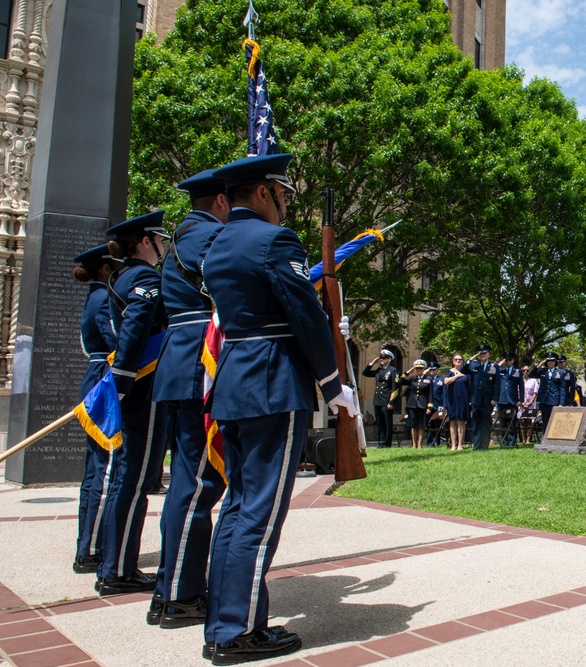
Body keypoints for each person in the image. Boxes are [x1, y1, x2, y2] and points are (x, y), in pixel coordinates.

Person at [201, 153, 356, 664]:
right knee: (261, 514)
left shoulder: (215, 244)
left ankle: (224, 620)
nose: (287, 203)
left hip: (234, 382)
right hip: (272, 383)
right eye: (284, 194)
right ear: (264, 192)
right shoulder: (275, 241)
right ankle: (237, 632)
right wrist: (334, 381)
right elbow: (305, 316)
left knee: (237, 507)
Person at [148, 169, 230, 629]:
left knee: (186, 482)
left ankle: (169, 589)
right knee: (198, 484)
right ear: (220, 201)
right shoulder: (207, 238)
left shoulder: (182, 237)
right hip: (201, 363)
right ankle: (181, 594)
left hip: (179, 362)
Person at [96, 211, 170, 596]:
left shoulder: (122, 277)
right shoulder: (144, 278)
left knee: (127, 479)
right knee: (136, 480)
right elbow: (137, 329)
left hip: (133, 390)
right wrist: (124, 383)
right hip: (143, 390)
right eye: (160, 240)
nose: (163, 247)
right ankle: (119, 569)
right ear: (146, 241)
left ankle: (113, 563)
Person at [71, 245, 117, 576]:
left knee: (95, 468)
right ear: (105, 269)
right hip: (105, 379)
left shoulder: (95, 296)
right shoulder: (103, 299)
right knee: (105, 468)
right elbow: (116, 340)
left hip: (97, 376)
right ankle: (91, 548)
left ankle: (86, 545)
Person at [462, 344, 499, 450]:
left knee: (486, 422)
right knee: (476, 422)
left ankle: (485, 445)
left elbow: (497, 384)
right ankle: (477, 445)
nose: (482, 355)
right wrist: (471, 359)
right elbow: (463, 370)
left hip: (488, 399)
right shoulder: (474, 365)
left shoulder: (493, 366)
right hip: (475, 398)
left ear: (488, 354)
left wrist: (495, 398)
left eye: (484, 353)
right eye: (480, 353)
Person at [362, 349, 399, 448]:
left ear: (389, 359)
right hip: (377, 400)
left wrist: (391, 402)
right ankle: (381, 442)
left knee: (387, 423)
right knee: (379, 423)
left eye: (384, 358)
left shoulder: (393, 370)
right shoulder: (379, 370)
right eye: (381, 358)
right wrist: (371, 364)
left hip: (386, 400)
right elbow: (365, 373)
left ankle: (386, 443)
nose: (381, 360)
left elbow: (395, 388)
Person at [399, 359, 434, 448]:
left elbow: (430, 394)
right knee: (413, 425)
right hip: (412, 404)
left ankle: (419, 444)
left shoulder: (429, 379)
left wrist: (429, 407)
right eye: (417, 368)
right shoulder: (411, 379)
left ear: (424, 369)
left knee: (421, 425)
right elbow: (400, 381)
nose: (419, 370)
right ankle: (414, 444)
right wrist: (409, 371)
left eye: (421, 368)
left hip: (423, 404)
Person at [496, 351, 524, 447]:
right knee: (502, 422)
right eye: (506, 360)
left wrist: (521, 400)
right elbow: (492, 369)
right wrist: (501, 363)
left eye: (509, 359)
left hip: (513, 400)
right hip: (502, 399)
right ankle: (504, 442)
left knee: (512, 422)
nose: (508, 361)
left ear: (513, 361)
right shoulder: (500, 370)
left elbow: (521, 386)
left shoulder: (518, 371)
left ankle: (512, 442)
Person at [444, 353, 470, 451]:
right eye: (456, 359)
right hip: (452, 400)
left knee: (461, 422)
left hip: (463, 400)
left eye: (460, 359)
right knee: (452, 422)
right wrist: (457, 376)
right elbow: (446, 382)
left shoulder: (467, 373)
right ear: (453, 361)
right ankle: (453, 445)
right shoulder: (449, 372)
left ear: (463, 361)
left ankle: (460, 445)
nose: (458, 361)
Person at [529, 352, 562, 430]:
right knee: (545, 420)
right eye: (548, 361)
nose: (550, 362)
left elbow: (562, 388)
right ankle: (545, 438)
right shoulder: (542, 371)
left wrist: (561, 402)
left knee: (554, 420)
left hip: (554, 399)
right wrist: (540, 365)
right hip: (544, 400)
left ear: (555, 362)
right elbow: (531, 375)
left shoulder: (560, 373)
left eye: (552, 361)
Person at [426, 361, 446, 446]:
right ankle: (429, 442)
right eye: (430, 370)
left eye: (433, 370)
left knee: (437, 424)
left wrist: (443, 405)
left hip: (438, 405)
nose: (431, 372)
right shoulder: (425, 379)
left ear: (437, 370)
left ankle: (437, 442)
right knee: (428, 424)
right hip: (427, 405)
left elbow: (444, 393)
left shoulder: (441, 380)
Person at [520, 364, 538, 444]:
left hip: (530, 403)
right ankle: (523, 439)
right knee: (522, 421)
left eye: (527, 370)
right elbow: (516, 392)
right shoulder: (519, 380)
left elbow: (535, 392)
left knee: (529, 421)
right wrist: (522, 403)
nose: (526, 372)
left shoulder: (533, 380)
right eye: (524, 370)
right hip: (521, 403)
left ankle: (528, 439)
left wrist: (530, 402)